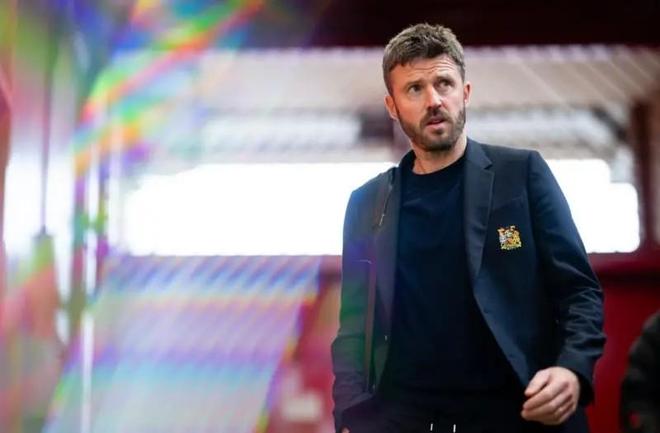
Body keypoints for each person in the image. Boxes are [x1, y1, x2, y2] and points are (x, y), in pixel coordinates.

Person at [331, 23, 605, 433]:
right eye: (414, 89)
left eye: (444, 83)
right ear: (392, 106)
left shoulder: (522, 175)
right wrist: (351, 413)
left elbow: (579, 291)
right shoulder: (367, 203)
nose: (434, 100)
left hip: (515, 413)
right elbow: (353, 326)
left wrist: (572, 368)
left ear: (466, 92)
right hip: (405, 418)